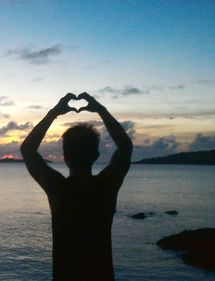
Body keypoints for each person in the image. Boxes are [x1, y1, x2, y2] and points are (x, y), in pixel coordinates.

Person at [20, 92, 132, 281]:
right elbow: (125, 147)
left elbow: (28, 150)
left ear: (65, 157)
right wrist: (100, 110)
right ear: (96, 156)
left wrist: (54, 113)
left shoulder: (59, 190)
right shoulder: (106, 187)